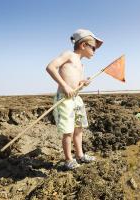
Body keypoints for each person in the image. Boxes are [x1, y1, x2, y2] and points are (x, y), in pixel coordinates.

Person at [46, 29, 103, 170]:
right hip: (64, 99)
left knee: (79, 128)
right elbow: (51, 67)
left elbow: (75, 85)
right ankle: (68, 159)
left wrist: (82, 83)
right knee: (68, 131)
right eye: (93, 47)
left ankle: (80, 155)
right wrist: (64, 86)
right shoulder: (69, 55)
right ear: (83, 45)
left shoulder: (81, 64)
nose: (95, 51)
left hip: (76, 98)